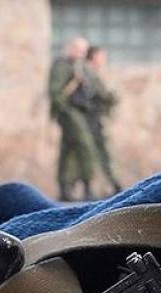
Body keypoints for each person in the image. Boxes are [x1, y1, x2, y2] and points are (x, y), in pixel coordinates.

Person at [48, 37, 100, 201]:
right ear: (71, 48)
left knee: (68, 150)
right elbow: (55, 92)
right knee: (85, 146)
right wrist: (66, 111)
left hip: (79, 111)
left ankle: (66, 188)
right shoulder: (62, 65)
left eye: (83, 50)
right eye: (78, 49)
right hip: (69, 112)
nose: (81, 53)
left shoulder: (78, 66)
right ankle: (87, 187)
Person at [84, 45, 122, 192]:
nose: (103, 60)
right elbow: (100, 95)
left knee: (103, 152)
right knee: (104, 152)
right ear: (94, 57)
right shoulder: (88, 73)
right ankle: (114, 184)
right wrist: (112, 96)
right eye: (101, 56)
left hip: (98, 118)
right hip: (95, 119)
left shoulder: (93, 73)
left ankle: (110, 184)